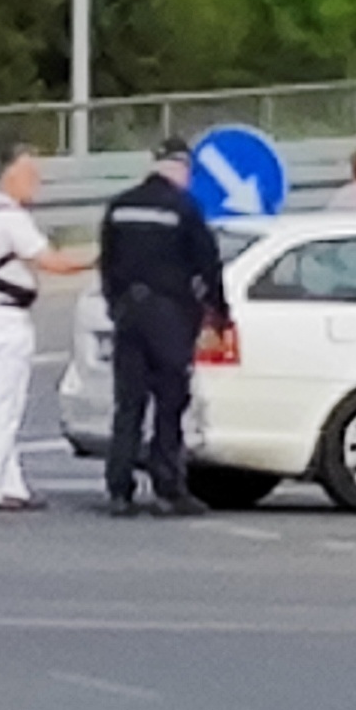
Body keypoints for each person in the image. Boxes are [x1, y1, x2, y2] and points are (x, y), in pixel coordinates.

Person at [98, 135, 231, 518]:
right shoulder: (183, 207)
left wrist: (116, 304)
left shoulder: (120, 206)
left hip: (128, 314)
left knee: (128, 405)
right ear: (182, 168)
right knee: (170, 404)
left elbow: (107, 262)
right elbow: (208, 264)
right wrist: (219, 312)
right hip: (170, 316)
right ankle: (167, 488)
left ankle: (119, 490)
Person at [0, 145, 92, 513]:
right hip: (4, 320)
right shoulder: (10, 218)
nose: (37, 182)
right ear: (10, 175)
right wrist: (97, 260)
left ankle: (10, 482)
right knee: (4, 405)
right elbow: (51, 262)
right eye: (30, 174)